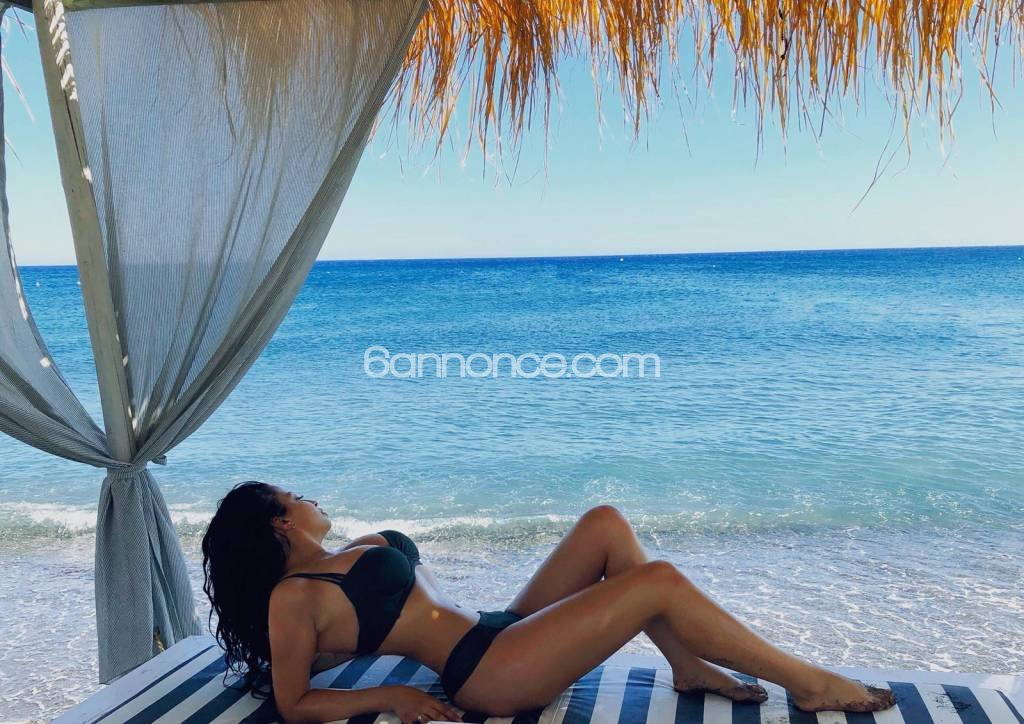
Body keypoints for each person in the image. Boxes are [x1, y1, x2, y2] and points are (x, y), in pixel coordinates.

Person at [201, 481, 896, 724]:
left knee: (605, 523)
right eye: (296, 496)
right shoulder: (293, 598)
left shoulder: (346, 555)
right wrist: (392, 697)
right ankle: (807, 683)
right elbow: (294, 702)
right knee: (657, 581)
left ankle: (685, 666)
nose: (311, 498)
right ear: (280, 522)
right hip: (488, 672)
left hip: (497, 626)